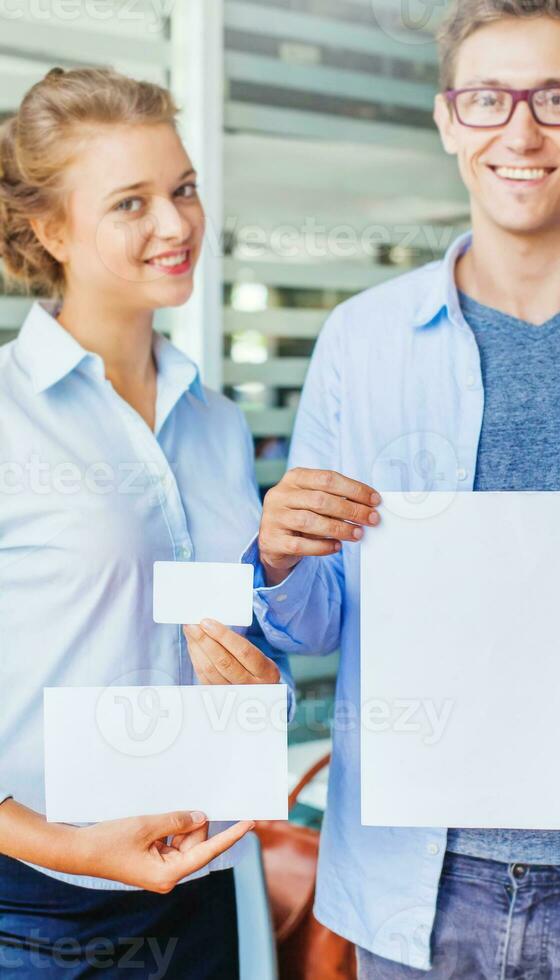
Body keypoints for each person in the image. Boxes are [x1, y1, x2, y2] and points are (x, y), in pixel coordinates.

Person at [189, 0, 560, 975]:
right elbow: (315, 621)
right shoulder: (364, 339)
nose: (518, 133)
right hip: (419, 891)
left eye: (557, 98)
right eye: (487, 99)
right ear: (448, 119)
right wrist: (275, 553)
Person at [0, 67, 291, 978]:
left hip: (203, 887)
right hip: (36, 913)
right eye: (131, 202)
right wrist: (63, 845)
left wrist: (259, 692)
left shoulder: (219, 422)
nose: (176, 226)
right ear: (51, 229)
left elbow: (213, 646)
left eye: (184, 189)